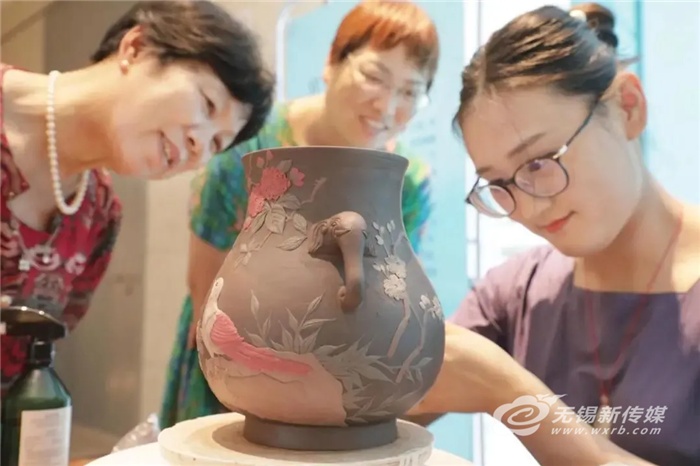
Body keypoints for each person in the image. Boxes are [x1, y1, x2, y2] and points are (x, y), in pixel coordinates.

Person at [408, 3, 700, 466]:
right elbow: (390, 401)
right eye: (499, 184)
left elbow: (497, 386)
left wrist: (512, 395)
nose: (527, 207)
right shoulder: (518, 292)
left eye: (540, 163)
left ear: (628, 107)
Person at [159, 0, 438, 429]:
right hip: (237, 350)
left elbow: (393, 291)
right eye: (374, 76)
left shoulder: (410, 182)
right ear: (331, 63)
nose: (386, 105)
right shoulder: (253, 144)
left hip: (350, 364)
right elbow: (204, 286)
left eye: (410, 91)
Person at [0, 0, 274, 394]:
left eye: (216, 143)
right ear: (136, 47)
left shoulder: (98, 213)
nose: (198, 147)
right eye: (207, 103)